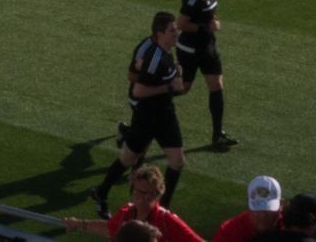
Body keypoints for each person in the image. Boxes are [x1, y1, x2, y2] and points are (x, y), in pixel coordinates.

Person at [93, 12, 188, 217]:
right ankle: (101, 192)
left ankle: (164, 208)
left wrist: (176, 77)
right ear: (159, 34)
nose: (176, 33)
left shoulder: (166, 52)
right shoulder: (154, 57)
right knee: (128, 159)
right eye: (172, 31)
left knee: (177, 162)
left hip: (166, 115)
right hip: (147, 117)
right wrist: (169, 88)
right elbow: (138, 91)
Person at [177, 0, 238, 152]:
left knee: (216, 85)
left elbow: (206, 14)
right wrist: (206, 27)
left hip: (207, 47)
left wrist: (210, 24)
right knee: (183, 88)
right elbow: (182, 24)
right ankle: (142, 103)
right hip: (190, 50)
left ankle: (217, 135)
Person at [64, 167, 203, 242]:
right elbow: (109, 228)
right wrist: (79, 224)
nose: (143, 198)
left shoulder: (167, 221)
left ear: (158, 194)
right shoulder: (127, 213)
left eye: (149, 194)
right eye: (139, 192)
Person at [211, 176, 284, 242]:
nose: (262, 215)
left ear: (281, 205)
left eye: (268, 209)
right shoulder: (230, 232)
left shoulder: (290, 224)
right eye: (257, 209)